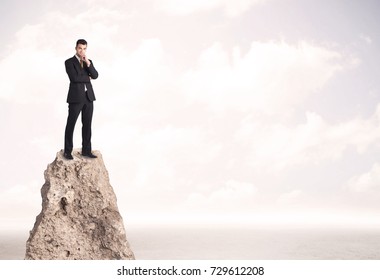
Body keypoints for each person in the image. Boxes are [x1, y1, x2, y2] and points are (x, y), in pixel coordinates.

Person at [63, 39, 99, 160]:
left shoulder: (89, 62)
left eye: (84, 48)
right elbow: (74, 78)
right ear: (76, 48)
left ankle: (86, 150)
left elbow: (95, 75)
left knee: (87, 124)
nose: (82, 51)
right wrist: (87, 78)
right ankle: (67, 151)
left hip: (88, 97)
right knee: (71, 124)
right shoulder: (69, 62)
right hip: (75, 98)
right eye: (80, 48)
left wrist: (88, 63)